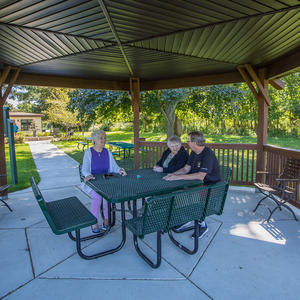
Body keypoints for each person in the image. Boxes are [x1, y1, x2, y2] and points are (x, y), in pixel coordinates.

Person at [163, 131, 221, 239]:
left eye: (188, 141)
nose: (187, 143)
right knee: (177, 193)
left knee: (191, 197)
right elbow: (186, 169)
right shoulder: (194, 152)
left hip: (210, 187)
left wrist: (178, 177)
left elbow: (200, 176)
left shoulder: (207, 154)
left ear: (194, 142)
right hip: (197, 184)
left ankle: (202, 225)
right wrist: (172, 174)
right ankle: (186, 219)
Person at [81, 130, 127, 233]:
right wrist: (88, 175)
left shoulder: (108, 152)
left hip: (106, 181)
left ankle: (107, 220)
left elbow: (114, 167)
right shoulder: (88, 152)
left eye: (104, 138)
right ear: (94, 140)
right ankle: (94, 222)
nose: (103, 140)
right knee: (97, 197)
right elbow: (85, 168)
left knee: (108, 197)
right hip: (93, 181)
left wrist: (120, 170)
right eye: (101, 138)